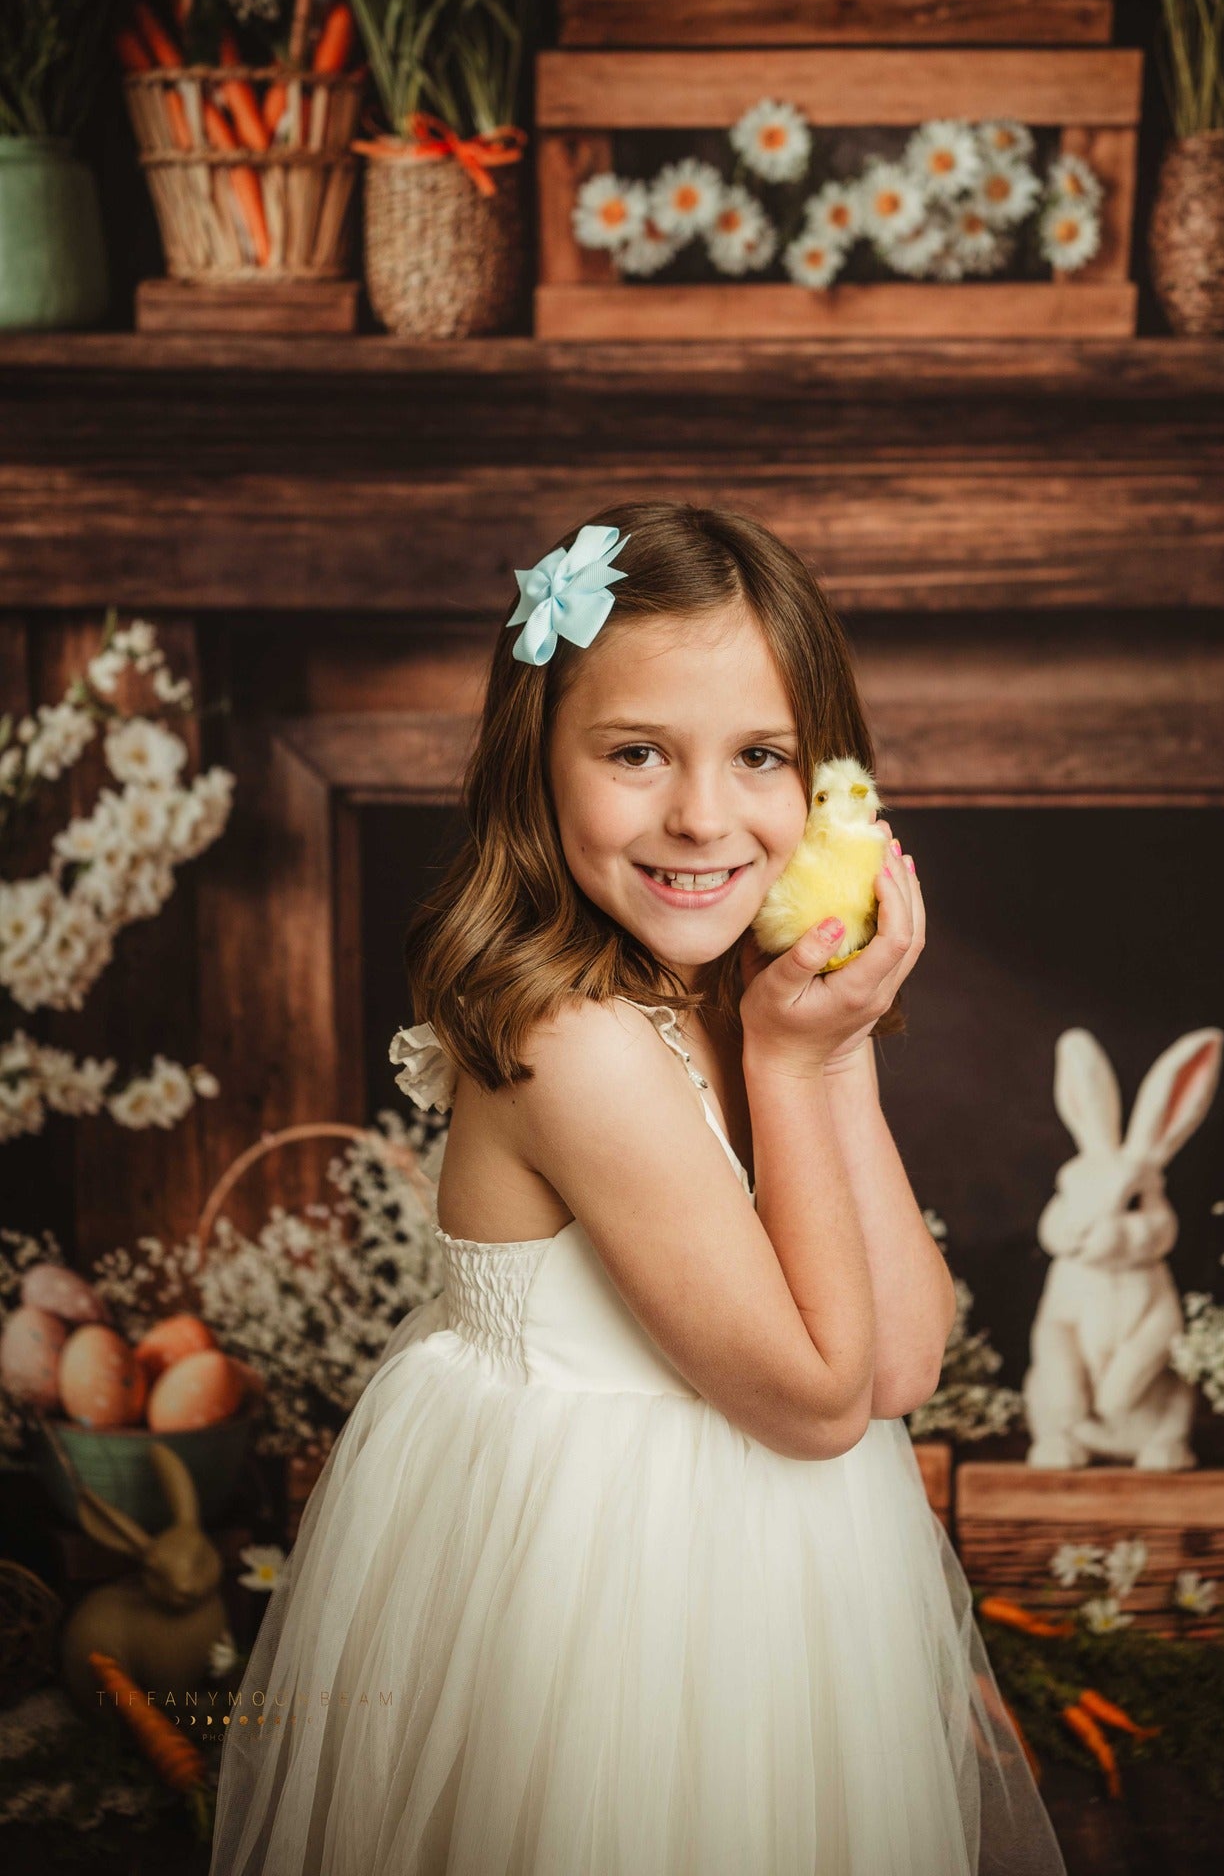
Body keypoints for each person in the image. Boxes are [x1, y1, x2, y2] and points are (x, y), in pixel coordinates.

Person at [209, 501, 1065, 1876]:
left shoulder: (739, 1001)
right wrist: (793, 1066)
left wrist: (833, 1050)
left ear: (828, 784)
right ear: (536, 762)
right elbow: (816, 1402)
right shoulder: (574, 1042)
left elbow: (900, 1364)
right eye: (635, 752)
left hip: (764, 1586)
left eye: (760, 757)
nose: (701, 816)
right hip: (593, 1597)